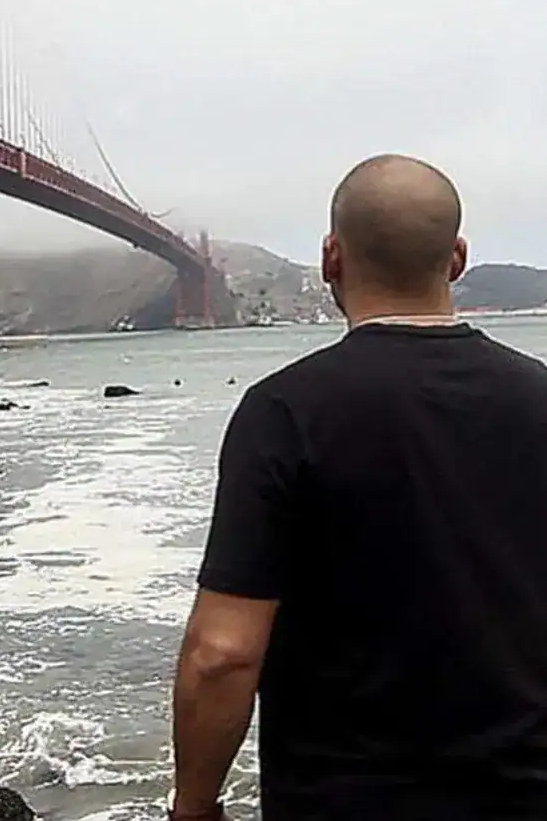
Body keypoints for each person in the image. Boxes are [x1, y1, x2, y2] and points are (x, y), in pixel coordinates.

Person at [170, 155, 547, 820]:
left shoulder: (283, 411)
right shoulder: (540, 396)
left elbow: (222, 654)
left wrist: (195, 807)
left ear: (331, 258)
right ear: (457, 259)